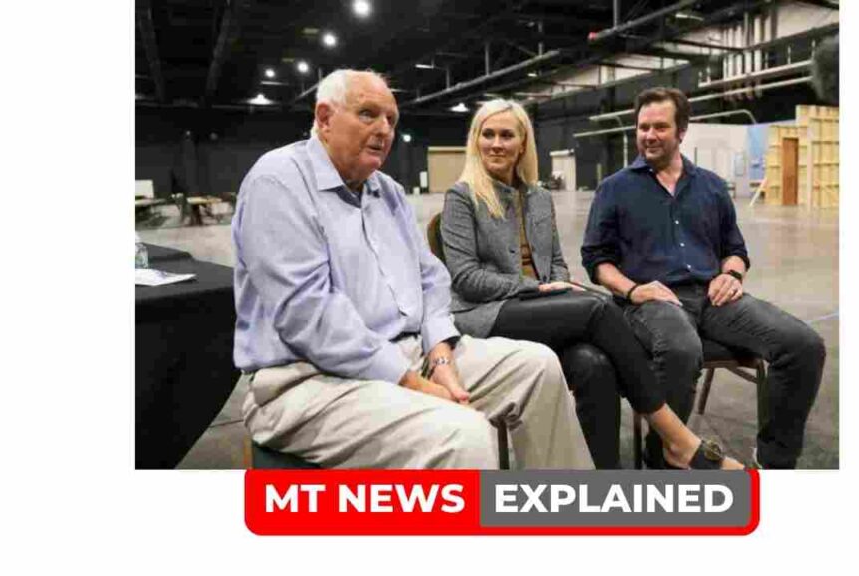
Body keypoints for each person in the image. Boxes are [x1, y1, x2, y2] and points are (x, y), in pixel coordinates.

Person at [231, 70, 592, 469]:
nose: (384, 130)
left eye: (391, 119)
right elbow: (310, 316)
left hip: (412, 351)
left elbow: (431, 279)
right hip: (310, 379)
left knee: (539, 367)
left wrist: (440, 352)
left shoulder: (387, 191)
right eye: (368, 114)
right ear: (325, 118)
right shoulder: (278, 182)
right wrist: (412, 382)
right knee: (462, 436)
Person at [440, 98, 744, 470]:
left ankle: (603, 480)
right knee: (599, 307)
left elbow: (556, 264)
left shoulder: (539, 198)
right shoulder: (462, 197)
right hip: (488, 314)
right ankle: (677, 438)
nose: (496, 144)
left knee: (595, 365)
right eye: (488, 135)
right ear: (476, 141)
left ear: (522, 144)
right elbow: (466, 279)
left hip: (541, 309)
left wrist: (556, 287)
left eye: (507, 135)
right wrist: (537, 289)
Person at [582, 87, 826, 469]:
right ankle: (664, 456)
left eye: (660, 127)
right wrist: (633, 290)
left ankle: (774, 461)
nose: (649, 135)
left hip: (714, 298)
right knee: (680, 349)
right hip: (651, 301)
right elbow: (597, 260)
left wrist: (731, 273)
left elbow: (735, 248)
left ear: (682, 131)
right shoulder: (614, 189)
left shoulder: (710, 186)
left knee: (803, 345)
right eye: (643, 127)